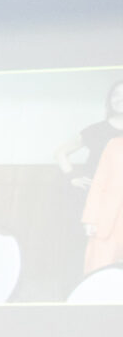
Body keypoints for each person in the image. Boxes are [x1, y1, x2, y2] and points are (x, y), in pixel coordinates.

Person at [57, 80, 123, 274]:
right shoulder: (96, 130)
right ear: (109, 100)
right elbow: (61, 152)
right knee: (91, 251)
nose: (120, 99)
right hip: (94, 196)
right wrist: (72, 177)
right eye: (115, 94)